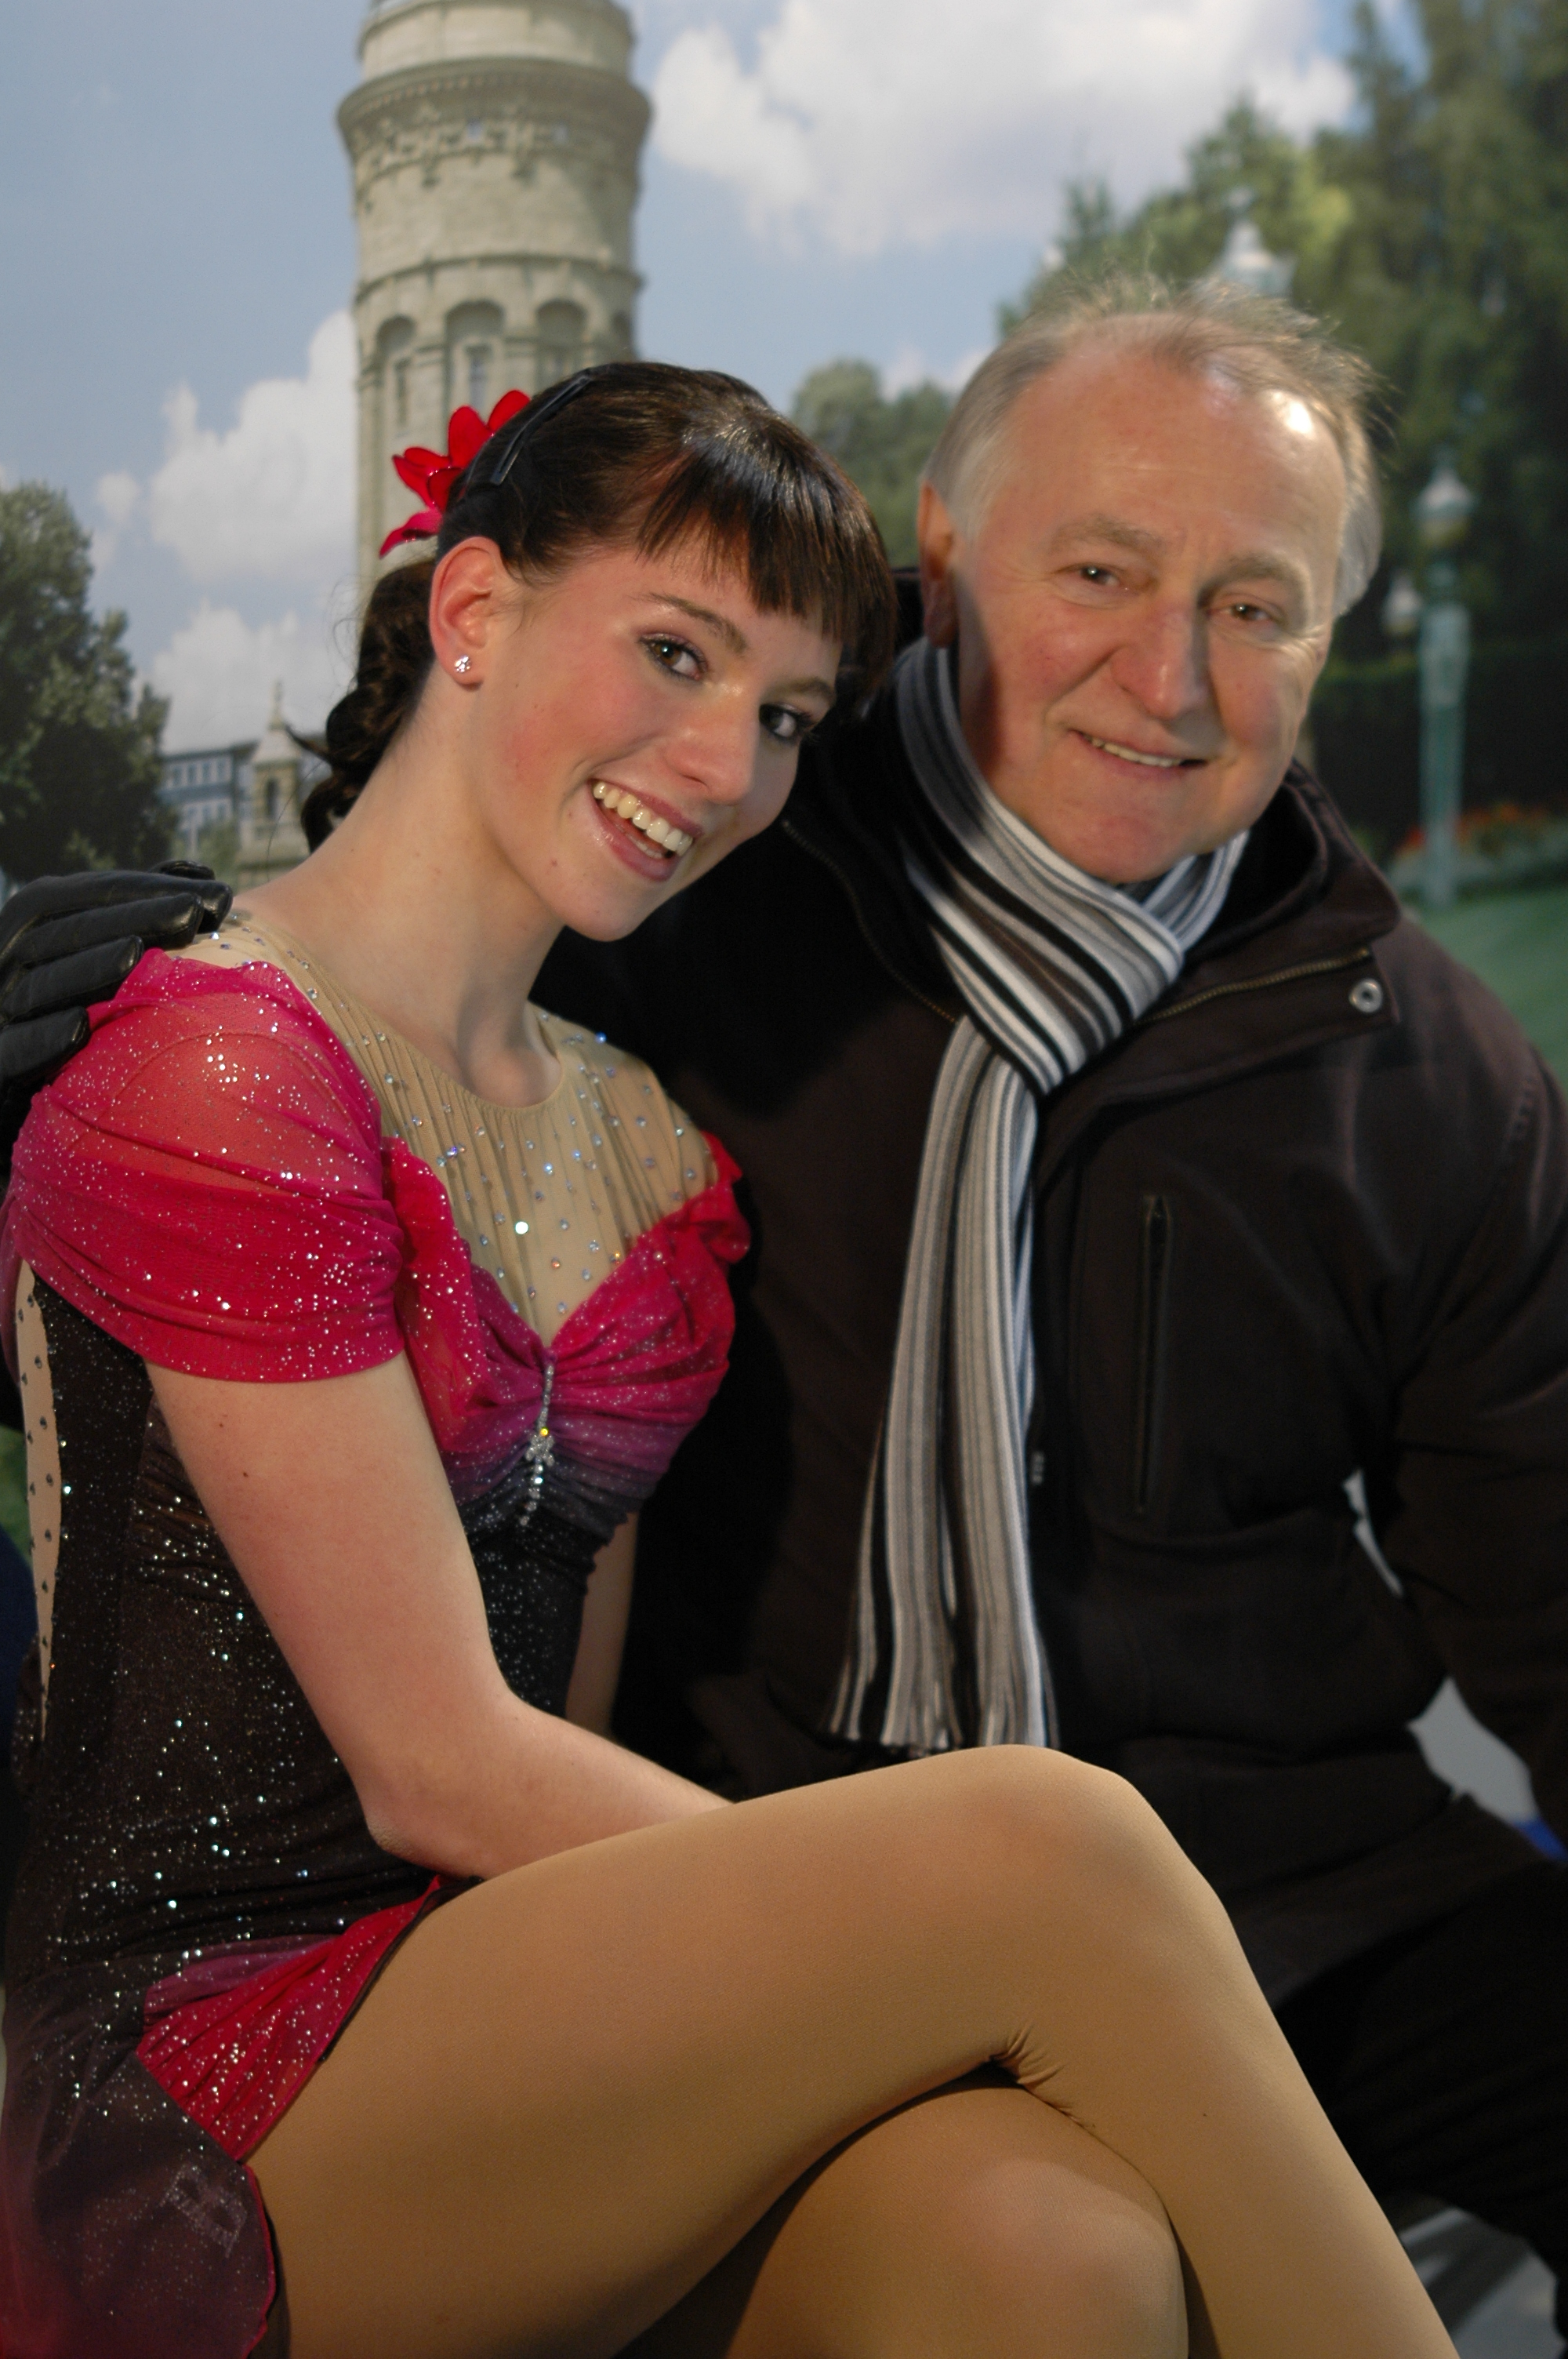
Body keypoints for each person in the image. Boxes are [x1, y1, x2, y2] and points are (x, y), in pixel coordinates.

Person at [0, 361, 1452, 2359]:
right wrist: (943, 1934)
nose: (722, 761)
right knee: (1054, 1849)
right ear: (476, 613)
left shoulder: (637, 1133)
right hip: (187, 2069)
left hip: (496, 1996)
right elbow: (441, 1763)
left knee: (1049, 2244)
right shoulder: (217, 1058)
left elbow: (558, 1719)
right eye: (674, 655)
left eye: (778, 715)